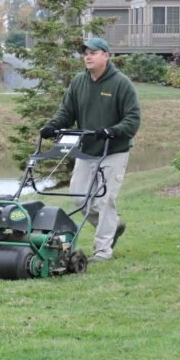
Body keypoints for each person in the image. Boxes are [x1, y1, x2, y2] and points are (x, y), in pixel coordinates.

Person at [39, 37, 141, 263]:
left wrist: (112, 131)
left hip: (113, 150)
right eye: (85, 52)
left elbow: (133, 119)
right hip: (87, 150)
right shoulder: (78, 82)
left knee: (105, 200)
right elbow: (66, 111)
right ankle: (113, 227)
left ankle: (102, 251)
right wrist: (53, 126)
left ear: (106, 55)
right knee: (79, 196)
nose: (88, 56)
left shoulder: (121, 83)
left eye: (93, 52)